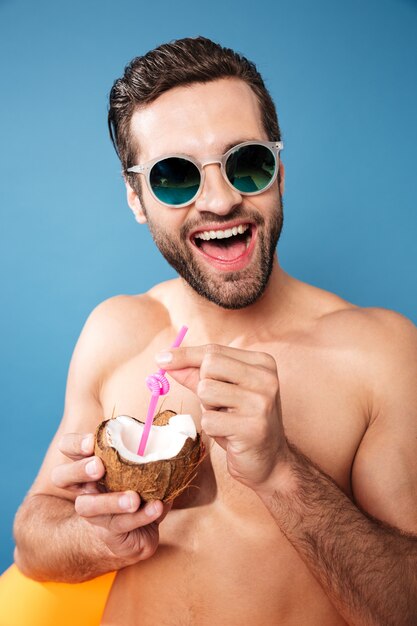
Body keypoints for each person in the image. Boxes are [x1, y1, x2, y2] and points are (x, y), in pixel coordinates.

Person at [13, 36, 417, 626]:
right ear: (135, 198)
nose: (222, 201)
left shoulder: (380, 353)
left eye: (246, 163)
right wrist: (98, 538)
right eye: (175, 176)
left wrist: (281, 472)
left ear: (279, 169)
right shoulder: (116, 331)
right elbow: (33, 541)